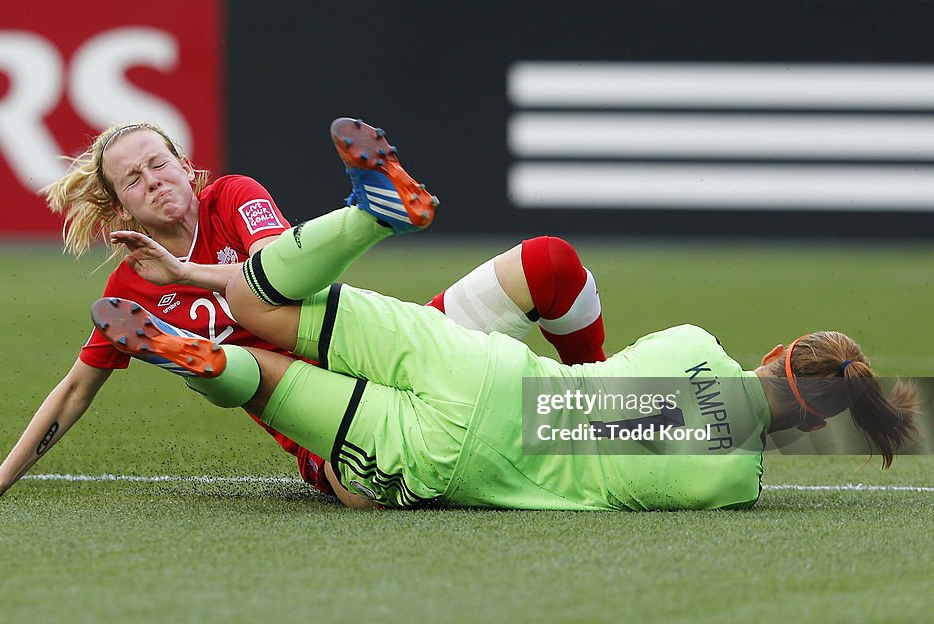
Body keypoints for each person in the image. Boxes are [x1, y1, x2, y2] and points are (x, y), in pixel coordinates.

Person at [89, 121, 922, 511]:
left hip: (468, 365)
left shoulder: (695, 343)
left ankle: (371, 214)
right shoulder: (733, 484)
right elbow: (603, 421)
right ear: (811, 426)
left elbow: (601, 390)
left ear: (774, 352)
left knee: (261, 310)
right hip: (460, 453)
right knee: (268, 374)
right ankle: (203, 359)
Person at [0, 119, 606, 501]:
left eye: (159, 164)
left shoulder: (232, 197)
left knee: (548, 261)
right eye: (133, 179)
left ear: (184, 164)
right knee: (363, 491)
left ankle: (602, 394)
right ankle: (219, 357)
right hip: (329, 420)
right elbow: (75, 389)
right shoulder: (129, 295)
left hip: (394, 346)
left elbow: (274, 275)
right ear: (119, 208)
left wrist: (189, 272)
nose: (153, 180)